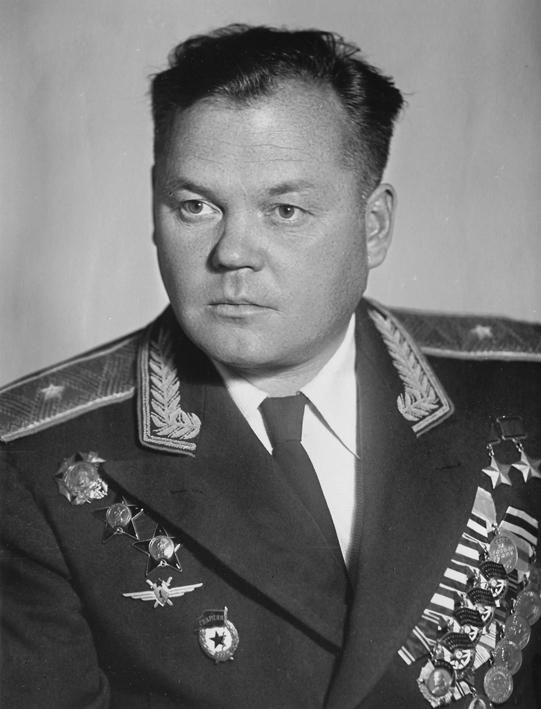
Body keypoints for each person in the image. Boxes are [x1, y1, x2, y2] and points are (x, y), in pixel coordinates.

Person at [1, 24, 540, 709]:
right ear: (155, 208)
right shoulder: (29, 464)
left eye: (284, 210)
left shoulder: (522, 389)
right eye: (195, 206)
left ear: (373, 225)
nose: (233, 252)